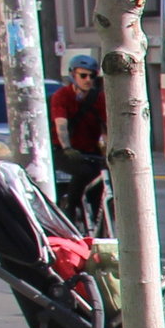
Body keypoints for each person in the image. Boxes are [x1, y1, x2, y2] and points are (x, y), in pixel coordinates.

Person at [49, 52, 105, 215]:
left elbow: (106, 126)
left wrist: (109, 150)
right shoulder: (62, 96)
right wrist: (67, 148)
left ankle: (100, 227)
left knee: (102, 181)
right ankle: (69, 210)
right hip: (65, 151)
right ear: (73, 75)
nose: (88, 80)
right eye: (83, 75)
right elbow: (61, 124)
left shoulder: (99, 98)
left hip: (91, 151)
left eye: (92, 76)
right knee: (83, 172)